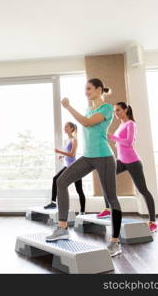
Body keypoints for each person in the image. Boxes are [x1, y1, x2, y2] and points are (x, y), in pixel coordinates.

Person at [46, 78, 123, 257]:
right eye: (85, 89)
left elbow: (88, 123)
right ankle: (62, 227)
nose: (86, 92)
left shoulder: (106, 108)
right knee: (62, 181)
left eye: (89, 89)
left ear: (98, 89)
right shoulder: (89, 109)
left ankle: (115, 242)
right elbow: (86, 122)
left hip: (103, 156)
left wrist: (69, 107)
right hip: (88, 156)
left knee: (111, 198)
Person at [95, 102, 157, 232]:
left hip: (133, 161)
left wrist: (113, 137)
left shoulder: (131, 124)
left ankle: (152, 222)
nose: (115, 113)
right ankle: (107, 209)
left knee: (143, 190)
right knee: (105, 177)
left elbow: (129, 142)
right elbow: (119, 143)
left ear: (125, 110)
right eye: (114, 111)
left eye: (118, 110)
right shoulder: (121, 125)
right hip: (121, 161)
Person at [44, 122, 86, 214]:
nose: (65, 128)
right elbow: (68, 153)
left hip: (74, 167)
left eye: (66, 126)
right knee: (55, 179)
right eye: (65, 126)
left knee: (79, 190)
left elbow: (72, 154)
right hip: (67, 166)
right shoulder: (66, 140)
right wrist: (62, 156)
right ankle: (53, 203)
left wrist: (59, 152)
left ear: (71, 129)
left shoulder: (74, 140)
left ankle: (82, 211)